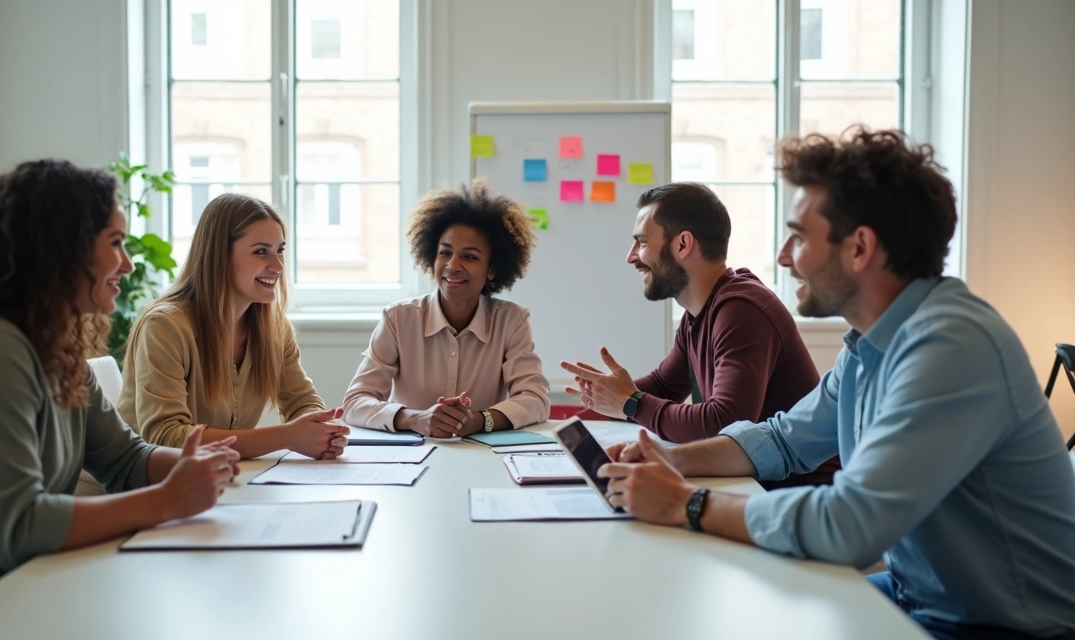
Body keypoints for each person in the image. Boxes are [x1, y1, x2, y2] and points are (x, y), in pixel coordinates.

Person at [599, 129, 1075, 640]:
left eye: (799, 236)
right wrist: (670, 460)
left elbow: (851, 525)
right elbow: (783, 439)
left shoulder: (952, 347)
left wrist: (686, 503)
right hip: (917, 595)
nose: (783, 256)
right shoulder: (869, 344)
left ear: (860, 248)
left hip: (1009, 628)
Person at [0, 160, 239, 639]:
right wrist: (167, 500)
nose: (128, 263)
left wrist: (197, 467)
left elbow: (124, 459)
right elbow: (19, 527)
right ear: (60, 248)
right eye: (116, 243)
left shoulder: (55, 347)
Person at [561, 182, 839, 486]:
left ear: (682, 245)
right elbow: (665, 386)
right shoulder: (701, 311)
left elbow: (726, 422)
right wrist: (607, 394)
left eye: (641, 242)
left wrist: (631, 402)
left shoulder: (741, 310)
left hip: (794, 494)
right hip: (753, 484)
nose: (631, 256)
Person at [119, 193, 347, 460]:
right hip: (143, 488)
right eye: (261, 251)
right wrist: (287, 436)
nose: (277, 266)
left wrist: (319, 428)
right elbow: (166, 436)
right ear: (219, 255)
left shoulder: (274, 328)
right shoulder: (165, 327)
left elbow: (302, 401)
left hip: (219, 481)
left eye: (280, 251)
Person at [343, 180, 550, 437]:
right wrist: (415, 419)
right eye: (445, 253)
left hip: (481, 455)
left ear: (492, 269)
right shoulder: (398, 319)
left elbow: (535, 399)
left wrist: (479, 421)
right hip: (410, 456)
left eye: (470, 256)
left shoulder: (512, 321)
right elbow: (355, 402)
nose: (452, 265)